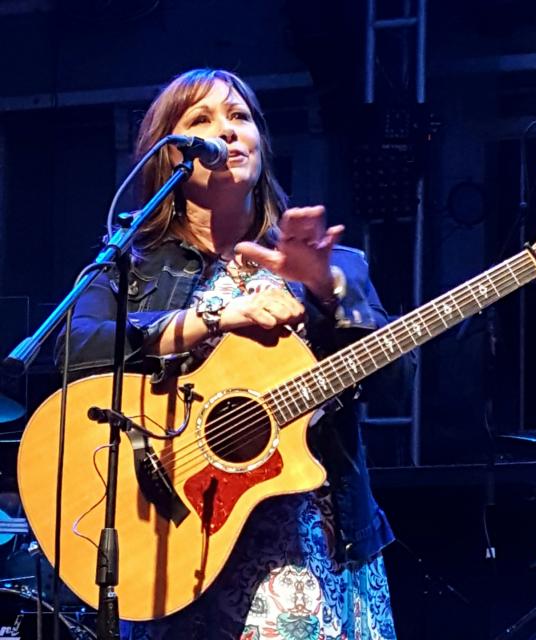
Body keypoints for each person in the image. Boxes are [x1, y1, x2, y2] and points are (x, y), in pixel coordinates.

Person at [59, 68, 414, 640]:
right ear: (169, 155)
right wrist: (210, 319)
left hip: (306, 549)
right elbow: (74, 347)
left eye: (240, 117)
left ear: (261, 142)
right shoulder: (133, 265)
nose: (226, 131)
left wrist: (328, 295)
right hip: (172, 538)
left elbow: (396, 385)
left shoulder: (334, 266)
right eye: (201, 120)